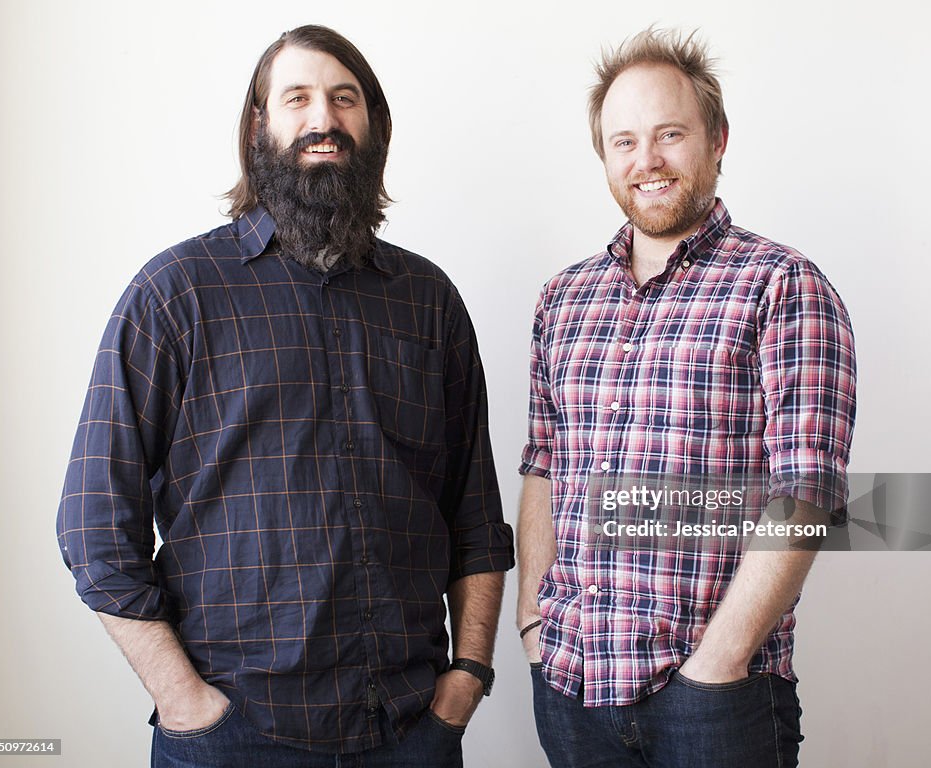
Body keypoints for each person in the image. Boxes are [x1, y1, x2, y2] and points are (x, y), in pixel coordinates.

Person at [57, 25, 513, 768]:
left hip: (410, 732)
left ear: (374, 127)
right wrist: (184, 701)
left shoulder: (428, 302)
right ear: (257, 127)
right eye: (296, 98)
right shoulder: (175, 296)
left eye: (344, 99)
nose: (323, 120)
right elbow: (91, 525)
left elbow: (475, 517)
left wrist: (467, 677)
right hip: (233, 736)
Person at [516, 27, 856, 768]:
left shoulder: (782, 285)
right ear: (604, 155)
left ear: (717, 139)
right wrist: (532, 626)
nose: (647, 161)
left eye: (670, 134)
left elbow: (810, 495)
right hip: (573, 689)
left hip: (713, 703)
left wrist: (716, 665)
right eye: (624, 141)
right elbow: (543, 466)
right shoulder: (562, 300)